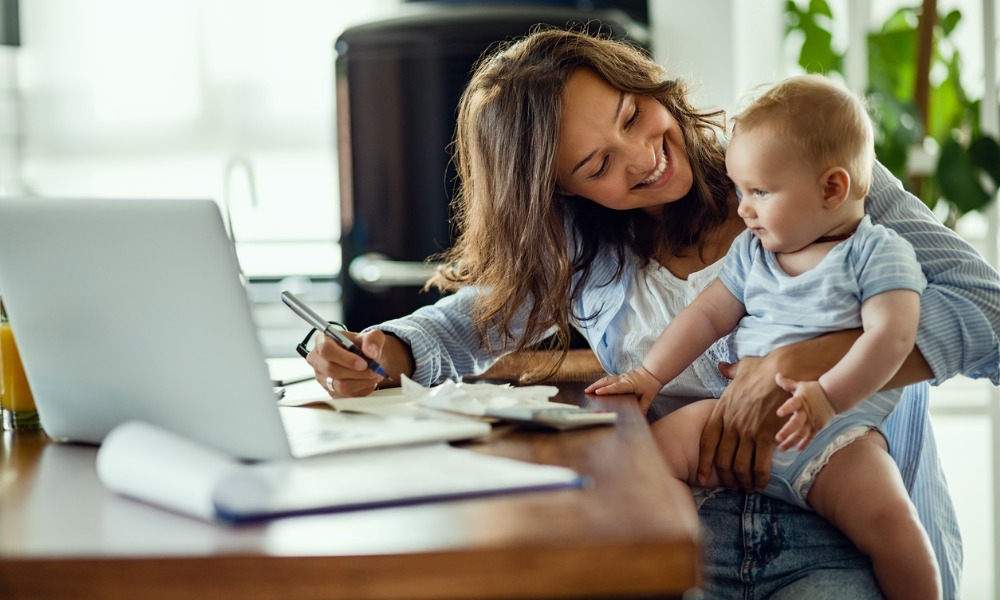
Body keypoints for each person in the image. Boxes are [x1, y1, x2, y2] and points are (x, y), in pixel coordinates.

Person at [308, 27, 1000, 598]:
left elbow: (990, 313)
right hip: (685, 519)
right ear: (560, 192)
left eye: (633, 116)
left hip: (841, 519)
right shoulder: (585, 248)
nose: (642, 158)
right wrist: (382, 351)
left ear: (643, 83)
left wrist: (803, 360)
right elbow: (469, 319)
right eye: (596, 164)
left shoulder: (805, 170)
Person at [587, 74, 939, 598]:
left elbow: (891, 340)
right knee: (648, 456)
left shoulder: (877, 254)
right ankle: (686, 571)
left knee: (896, 527)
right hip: (734, 418)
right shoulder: (755, 254)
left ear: (831, 189)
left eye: (760, 192)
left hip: (837, 438)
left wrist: (825, 397)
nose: (743, 208)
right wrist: (648, 374)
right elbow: (706, 318)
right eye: (740, 190)